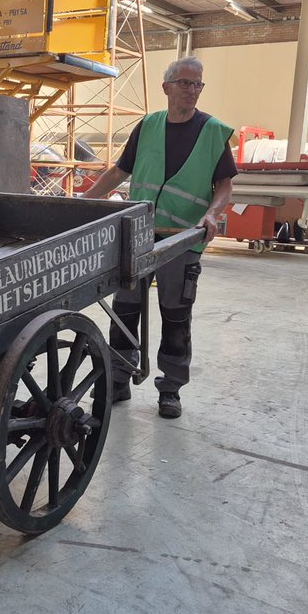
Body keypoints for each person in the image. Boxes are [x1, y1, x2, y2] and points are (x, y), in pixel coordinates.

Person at [81, 56, 237, 418]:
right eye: (184, 83)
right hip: (137, 235)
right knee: (125, 310)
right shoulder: (148, 125)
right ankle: (119, 379)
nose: (192, 90)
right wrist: (84, 204)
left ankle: (170, 388)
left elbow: (225, 185)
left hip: (181, 239)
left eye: (197, 84)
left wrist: (212, 214)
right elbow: (120, 171)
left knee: (176, 315)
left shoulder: (213, 132)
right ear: (166, 87)